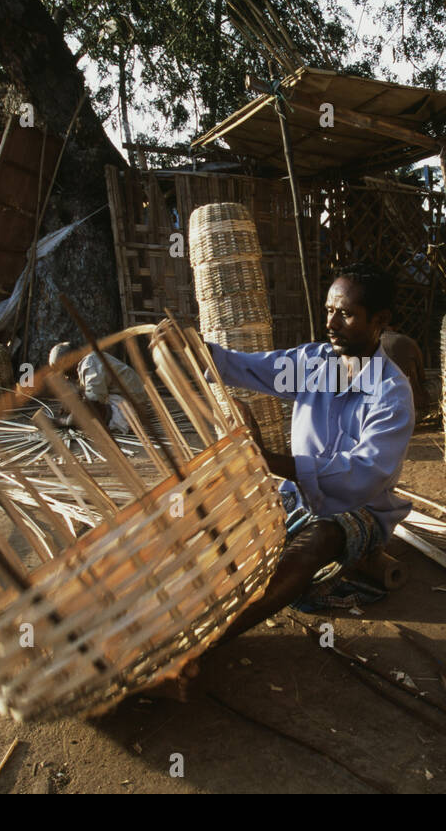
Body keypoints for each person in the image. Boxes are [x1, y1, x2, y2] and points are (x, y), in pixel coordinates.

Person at [147, 262, 415, 699]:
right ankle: (157, 623)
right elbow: (245, 368)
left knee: (310, 546)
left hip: (361, 511)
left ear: (380, 321)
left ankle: (201, 647)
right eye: (328, 309)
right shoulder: (313, 364)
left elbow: (363, 476)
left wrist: (270, 460)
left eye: (345, 314)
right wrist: (189, 347)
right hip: (294, 495)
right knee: (212, 524)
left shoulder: (391, 393)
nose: (330, 322)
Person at [43, 341, 152, 435]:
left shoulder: (90, 362)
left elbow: (94, 401)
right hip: (126, 403)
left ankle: (64, 422)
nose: (64, 375)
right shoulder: (88, 362)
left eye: (62, 370)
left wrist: (65, 421)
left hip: (129, 408)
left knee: (89, 409)